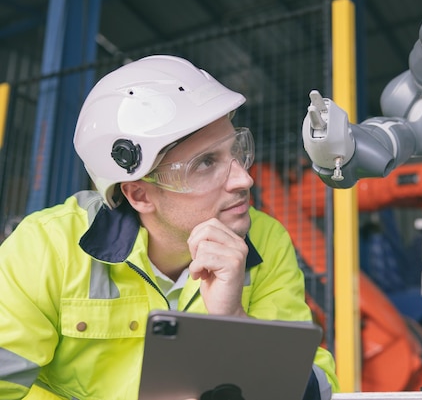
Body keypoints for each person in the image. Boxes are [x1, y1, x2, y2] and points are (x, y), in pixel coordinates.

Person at [0, 55, 338, 399]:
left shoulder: (265, 240)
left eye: (236, 151)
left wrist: (236, 324)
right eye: (206, 162)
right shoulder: (46, 249)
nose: (244, 178)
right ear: (139, 194)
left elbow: (315, 389)